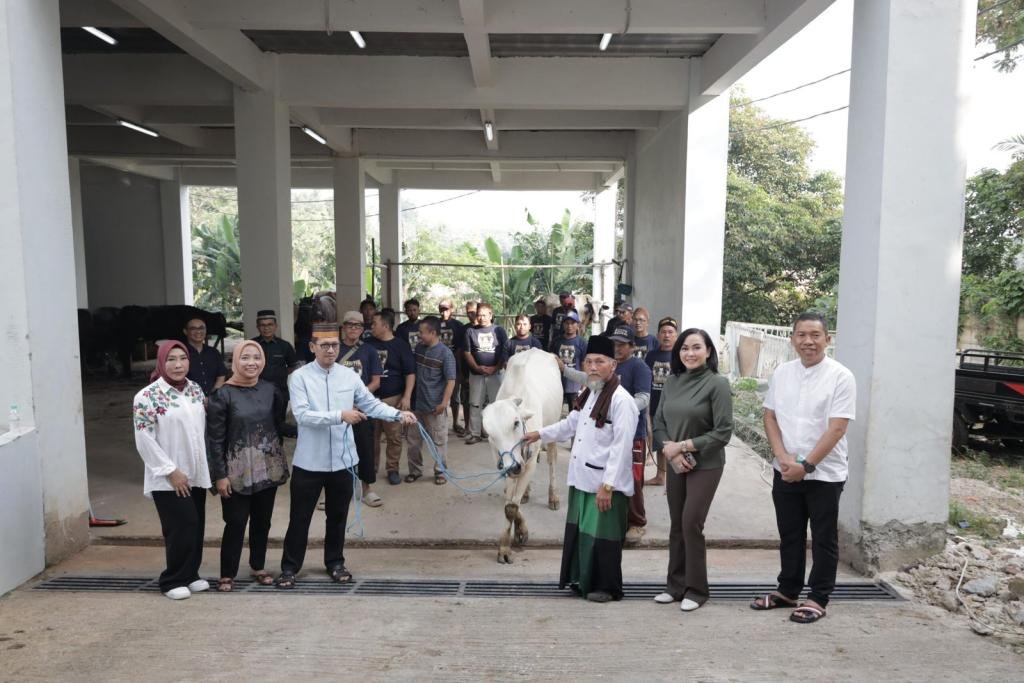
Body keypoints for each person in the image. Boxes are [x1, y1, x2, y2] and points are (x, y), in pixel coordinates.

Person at [276, 323, 417, 588]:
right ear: (312, 347)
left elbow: (370, 404)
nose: (331, 350)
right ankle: (290, 567)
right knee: (300, 517)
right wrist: (340, 415)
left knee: (338, 515)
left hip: (343, 460)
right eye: (324, 345)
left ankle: (335, 562)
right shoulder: (300, 377)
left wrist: (398, 414)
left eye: (334, 345)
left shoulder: (348, 376)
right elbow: (302, 415)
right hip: (309, 462)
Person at [751, 312, 855, 624]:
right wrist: (783, 456)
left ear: (828, 339)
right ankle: (788, 590)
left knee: (823, 537)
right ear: (792, 338)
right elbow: (769, 416)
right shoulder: (783, 373)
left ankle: (818, 597)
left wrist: (806, 466)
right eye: (801, 335)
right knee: (790, 533)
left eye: (815, 335)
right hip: (785, 469)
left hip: (824, 473)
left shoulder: (841, 376)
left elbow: (837, 429)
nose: (808, 341)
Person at [524, 335, 638, 602]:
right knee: (583, 534)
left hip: (604, 484)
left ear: (613, 365)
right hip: (583, 478)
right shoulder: (591, 393)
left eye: (600, 361)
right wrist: (538, 433)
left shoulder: (622, 401)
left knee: (604, 538)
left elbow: (621, 449)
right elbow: (571, 424)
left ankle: (607, 588)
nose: (593, 367)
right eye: (589, 361)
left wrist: (608, 486)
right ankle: (582, 580)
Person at [651, 328, 733, 612]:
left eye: (697, 347)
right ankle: (675, 586)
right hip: (676, 463)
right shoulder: (672, 382)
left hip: (706, 464)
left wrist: (683, 446)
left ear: (708, 351)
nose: (690, 353)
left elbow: (723, 432)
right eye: (685, 348)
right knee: (676, 525)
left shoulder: (717, 384)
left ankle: (697, 590)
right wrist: (670, 452)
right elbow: (658, 422)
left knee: (691, 523)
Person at [206, 340, 291, 592]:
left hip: (267, 466)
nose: (251, 363)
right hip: (236, 472)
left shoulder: (271, 390)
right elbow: (215, 439)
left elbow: (277, 425)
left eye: (256, 357)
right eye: (245, 357)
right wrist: (220, 476)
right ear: (235, 361)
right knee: (235, 521)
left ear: (263, 361)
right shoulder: (222, 395)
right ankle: (227, 573)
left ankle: (258, 566)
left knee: (262, 521)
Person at [132, 340, 211, 600]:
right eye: (171, 359)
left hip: (195, 472)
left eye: (182, 358)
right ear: (161, 362)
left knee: (196, 524)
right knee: (181, 525)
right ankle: (172, 579)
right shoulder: (147, 396)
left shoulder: (195, 390)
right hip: (168, 477)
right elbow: (144, 439)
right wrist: (170, 470)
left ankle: (190, 574)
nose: (178, 365)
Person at [607, 326, 653, 544]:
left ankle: (637, 522)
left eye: (622, 344)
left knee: (634, 478)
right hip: (609, 432)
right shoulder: (609, 366)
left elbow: (644, 398)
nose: (617, 348)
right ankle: (618, 519)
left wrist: (620, 410)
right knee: (611, 475)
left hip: (634, 434)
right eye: (614, 344)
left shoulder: (640, 367)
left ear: (632, 346)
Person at [338, 310, 385, 507]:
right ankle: (336, 491)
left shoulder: (369, 351)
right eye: (350, 325)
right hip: (338, 410)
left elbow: (376, 382)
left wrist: (359, 398)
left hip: (363, 409)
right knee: (337, 449)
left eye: (357, 326)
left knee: (365, 448)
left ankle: (367, 489)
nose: (353, 329)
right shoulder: (333, 349)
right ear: (343, 327)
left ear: (362, 329)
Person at [366, 310, 416, 485]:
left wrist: (407, 396)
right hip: (370, 399)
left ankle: (392, 469)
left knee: (393, 436)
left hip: (392, 398)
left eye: (375, 323)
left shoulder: (401, 346)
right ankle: (370, 468)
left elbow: (410, 373)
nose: (371, 326)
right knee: (371, 436)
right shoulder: (367, 344)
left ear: (385, 326)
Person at [406, 316, 457, 485]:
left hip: (435, 406)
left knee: (439, 441)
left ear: (433, 332)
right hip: (417, 404)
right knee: (413, 441)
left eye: (422, 332)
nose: (419, 335)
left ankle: (440, 471)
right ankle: (415, 471)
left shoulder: (445, 353)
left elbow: (451, 380)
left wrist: (444, 403)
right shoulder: (419, 348)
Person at [463, 302, 508, 445]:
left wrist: (495, 368)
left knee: (496, 404)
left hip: (495, 374)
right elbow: (467, 353)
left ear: (491, 315)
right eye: (479, 315)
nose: (481, 318)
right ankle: (475, 433)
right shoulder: (470, 331)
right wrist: (477, 368)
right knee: (475, 403)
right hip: (476, 374)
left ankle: (495, 434)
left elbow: (504, 352)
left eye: (484, 315)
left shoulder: (499, 331)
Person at [644, 317, 678, 486]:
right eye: (663, 332)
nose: (667, 335)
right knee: (660, 443)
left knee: (676, 443)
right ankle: (660, 476)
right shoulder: (651, 356)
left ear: (676, 335)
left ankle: (677, 478)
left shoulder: (681, 356)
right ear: (657, 335)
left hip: (674, 408)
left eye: (670, 332)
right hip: (656, 405)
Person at [252, 309, 299, 425]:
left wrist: (280, 372)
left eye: (270, 324)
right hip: (254, 395)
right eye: (262, 325)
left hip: (280, 394)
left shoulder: (284, 346)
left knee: (278, 427)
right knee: (257, 428)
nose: (266, 328)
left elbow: (294, 365)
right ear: (258, 327)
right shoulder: (251, 345)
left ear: (275, 326)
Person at [438, 298, 467, 435]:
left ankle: (455, 422)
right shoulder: (435, 324)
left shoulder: (458, 326)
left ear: (452, 309)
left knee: (454, 397)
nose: (444, 312)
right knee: (438, 395)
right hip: (437, 366)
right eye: (441, 309)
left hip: (454, 365)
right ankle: (439, 424)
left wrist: (459, 369)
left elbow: (461, 348)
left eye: (446, 309)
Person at [552, 310, 587, 412]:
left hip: (574, 385)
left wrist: (584, 383)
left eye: (572, 323)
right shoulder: (556, 341)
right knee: (555, 411)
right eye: (567, 323)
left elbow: (584, 363)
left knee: (574, 413)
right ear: (563, 325)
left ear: (578, 325)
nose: (569, 326)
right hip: (558, 383)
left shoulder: (582, 342)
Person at [183, 317, 226, 396]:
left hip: (213, 399)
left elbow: (221, 376)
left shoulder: (214, 352)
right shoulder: (182, 353)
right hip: (189, 400)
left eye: (201, 328)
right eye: (193, 328)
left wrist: (212, 396)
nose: (198, 331)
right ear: (185, 331)